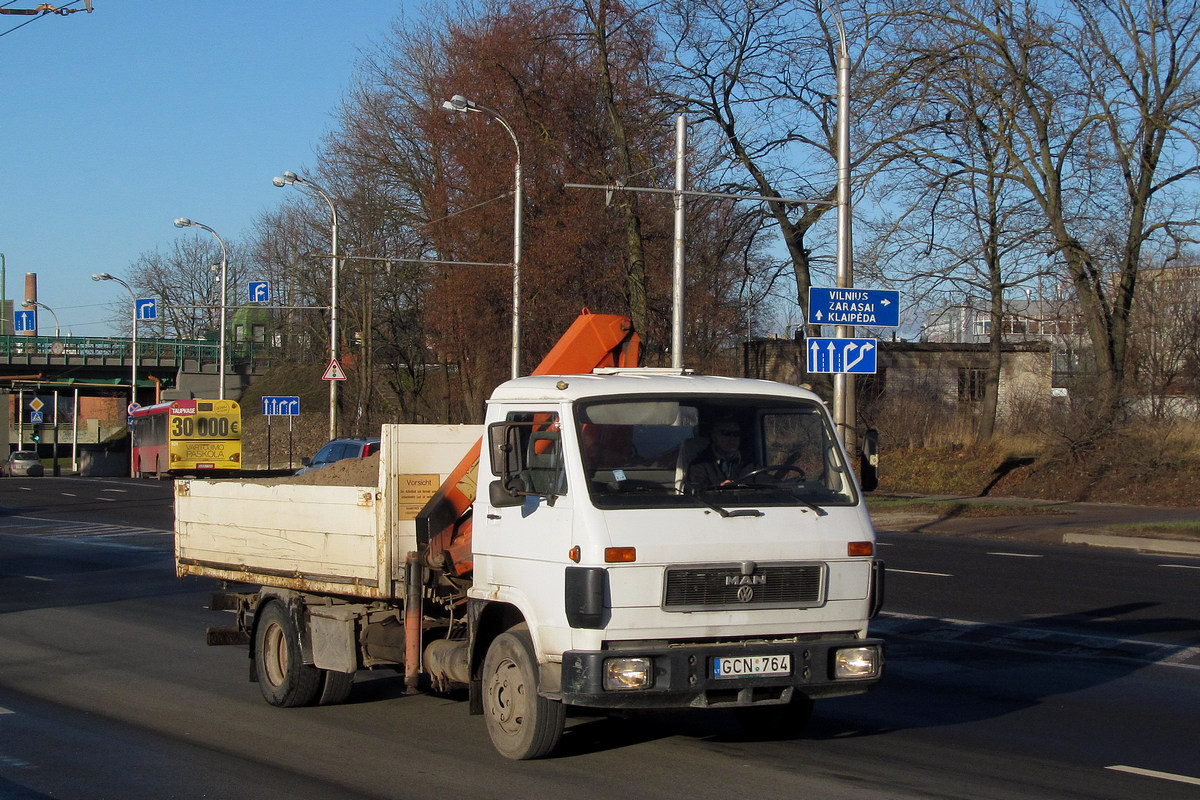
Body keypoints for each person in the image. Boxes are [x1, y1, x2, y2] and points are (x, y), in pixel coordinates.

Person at [686, 419, 759, 488]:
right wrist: (719, 489)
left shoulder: (750, 463)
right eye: (726, 433)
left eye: (736, 434)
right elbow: (697, 492)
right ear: (714, 437)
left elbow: (766, 482)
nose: (732, 438)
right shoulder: (699, 465)